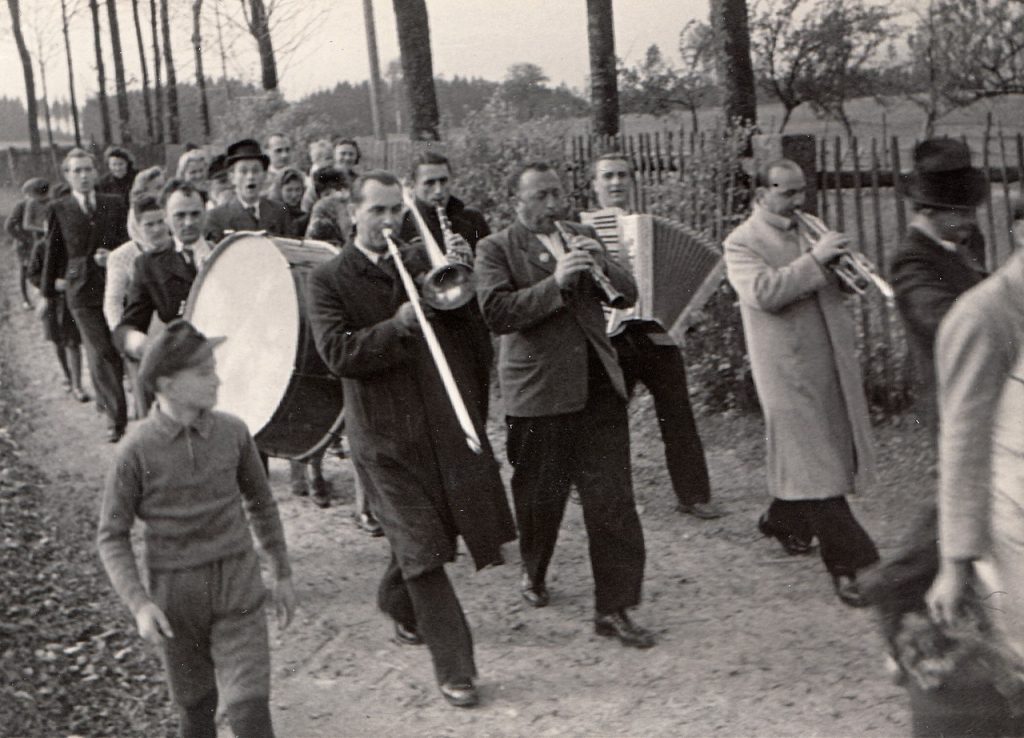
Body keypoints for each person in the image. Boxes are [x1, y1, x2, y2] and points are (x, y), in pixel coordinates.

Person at [307, 170, 515, 707]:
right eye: (376, 210)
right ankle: (458, 668)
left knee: (435, 533)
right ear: (352, 212)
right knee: (423, 548)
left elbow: (467, 333)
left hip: (436, 425)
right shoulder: (329, 278)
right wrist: (396, 326)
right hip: (381, 438)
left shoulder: (422, 262)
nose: (389, 221)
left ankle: (394, 602)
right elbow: (338, 354)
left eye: (396, 210)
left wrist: (461, 284)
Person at [475, 161, 656, 648]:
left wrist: (604, 263)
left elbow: (627, 296)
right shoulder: (495, 248)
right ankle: (535, 570)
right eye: (541, 196)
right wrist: (555, 282)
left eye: (557, 193)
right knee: (540, 499)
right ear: (519, 202)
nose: (554, 204)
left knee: (612, 502)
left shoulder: (579, 232)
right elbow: (496, 313)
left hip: (597, 387)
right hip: (539, 394)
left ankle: (614, 609)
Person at [97, 319, 295, 738]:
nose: (217, 379)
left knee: (249, 710)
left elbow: (261, 502)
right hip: (175, 596)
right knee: (195, 709)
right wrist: (140, 604)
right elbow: (112, 535)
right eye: (204, 372)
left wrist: (282, 572)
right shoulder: (136, 450)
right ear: (167, 384)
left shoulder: (233, 432)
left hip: (237, 583)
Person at [722, 159, 879, 606]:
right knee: (816, 466)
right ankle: (851, 564)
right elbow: (764, 293)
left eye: (801, 192)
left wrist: (848, 271)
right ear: (761, 194)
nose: (798, 201)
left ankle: (784, 519)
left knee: (814, 457)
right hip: (785, 368)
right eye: (787, 193)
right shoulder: (741, 242)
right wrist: (816, 260)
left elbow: (830, 285)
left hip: (826, 360)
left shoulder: (810, 228)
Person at [584, 153, 721, 520]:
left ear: (633, 182)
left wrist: (689, 310)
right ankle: (601, 490)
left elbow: (682, 281)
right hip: (610, 334)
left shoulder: (644, 226)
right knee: (608, 418)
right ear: (593, 185)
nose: (616, 183)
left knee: (677, 411)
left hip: (655, 332)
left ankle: (693, 494)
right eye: (607, 177)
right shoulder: (581, 231)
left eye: (623, 176)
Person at [927, 202, 1024, 667]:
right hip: (1012, 533)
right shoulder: (984, 316)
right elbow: (963, 445)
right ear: (1021, 231)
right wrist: (955, 562)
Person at [891, 138, 988, 433]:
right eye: (960, 212)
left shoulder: (962, 242)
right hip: (955, 406)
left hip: (982, 392)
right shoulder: (911, 261)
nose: (971, 220)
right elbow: (948, 322)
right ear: (928, 211)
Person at [41, 148, 129, 442]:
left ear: (96, 172)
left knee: (113, 347)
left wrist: (113, 255)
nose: (83, 176)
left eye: (88, 169)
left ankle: (107, 402)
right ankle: (117, 420)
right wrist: (47, 291)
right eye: (76, 171)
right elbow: (54, 249)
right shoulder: (59, 208)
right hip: (80, 290)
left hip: (114, 283)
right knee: (101, 349)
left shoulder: (114, 203)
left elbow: (127, 242)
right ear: (67, 175)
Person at [398, 151, 492, 420]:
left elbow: (492, 275)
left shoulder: (471, 220)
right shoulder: (403, 225)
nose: (438, 191)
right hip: (430, 332)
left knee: (476, 411)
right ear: (413, 185)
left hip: (471, 330)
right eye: (429, 183)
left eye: (443, 181)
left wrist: (471, 261)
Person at [104, 194, 173, 419]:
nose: (156, 229)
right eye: (149, 225)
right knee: (147, 394)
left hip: (172, 329)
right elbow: (113, 301)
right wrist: (124, 336)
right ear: (136, 226)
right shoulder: (122, 256)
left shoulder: (176, 247)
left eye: (160, 222)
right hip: (141, 331)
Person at [205, 139, 295, 243]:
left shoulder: (280, 211)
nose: (250, 177)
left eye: (256, 171)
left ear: (265, 175)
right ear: (232, 177)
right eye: (243, 171)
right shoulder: (217, 217)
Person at [5, 177, 50, 310]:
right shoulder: (21, 206)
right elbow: (9, 226)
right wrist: (24, 239)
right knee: (25, 271)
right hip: (25, 244)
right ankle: (25, 299)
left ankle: (42, 291)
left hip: (40, 241)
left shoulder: (44, 203)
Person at [270, 167, 309, 235]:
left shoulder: (306, 208)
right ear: (279, 190)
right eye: (289, 190)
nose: (294, 195)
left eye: (298, 190)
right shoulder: (272, 212)